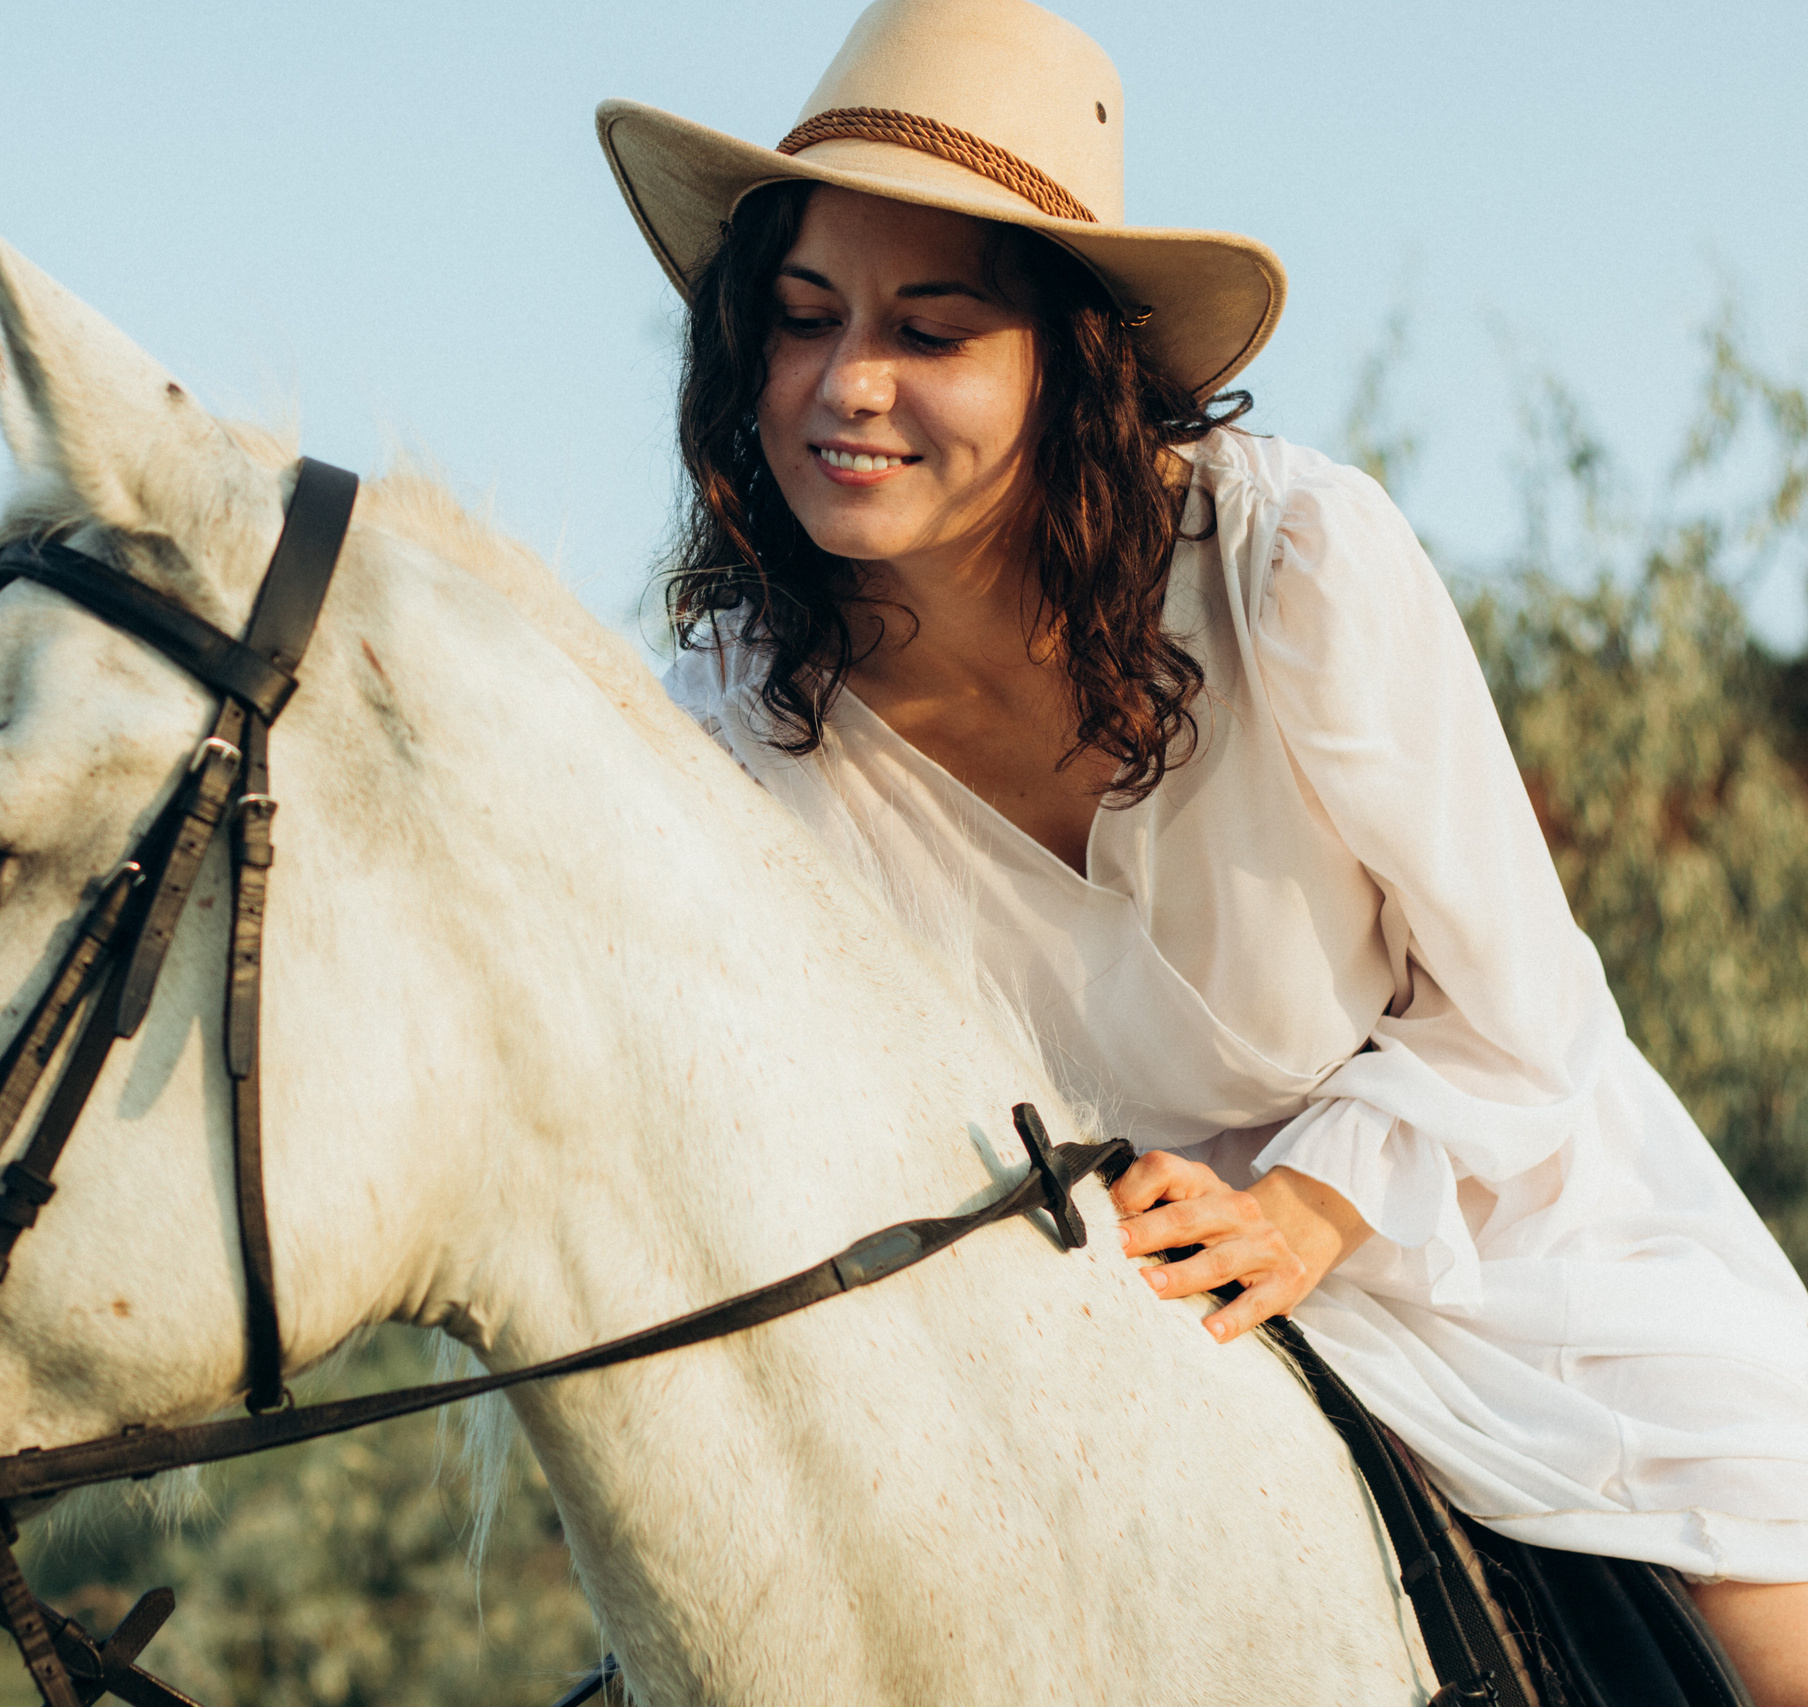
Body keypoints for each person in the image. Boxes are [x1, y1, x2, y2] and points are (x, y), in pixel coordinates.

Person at [597, 0, 1808, 1699]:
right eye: (801, 321)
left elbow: (1524, 1007)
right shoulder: (741, 718)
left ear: (1063, 365)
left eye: (930, 331)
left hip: (1482, 1223)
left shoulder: (1289, 563)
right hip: (1102, 1310)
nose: (843, 386)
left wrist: (1307, 1211)